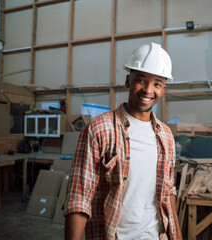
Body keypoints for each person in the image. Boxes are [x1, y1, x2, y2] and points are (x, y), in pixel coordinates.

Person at [63, 42, 183, 240]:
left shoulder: (166, 136)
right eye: (141, 80)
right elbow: (79, 197)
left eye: (157, 84)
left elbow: (168, 190)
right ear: (128, 81)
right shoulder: (100, 129)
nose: (148, 90)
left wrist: (176, 235)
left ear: (163, 89)